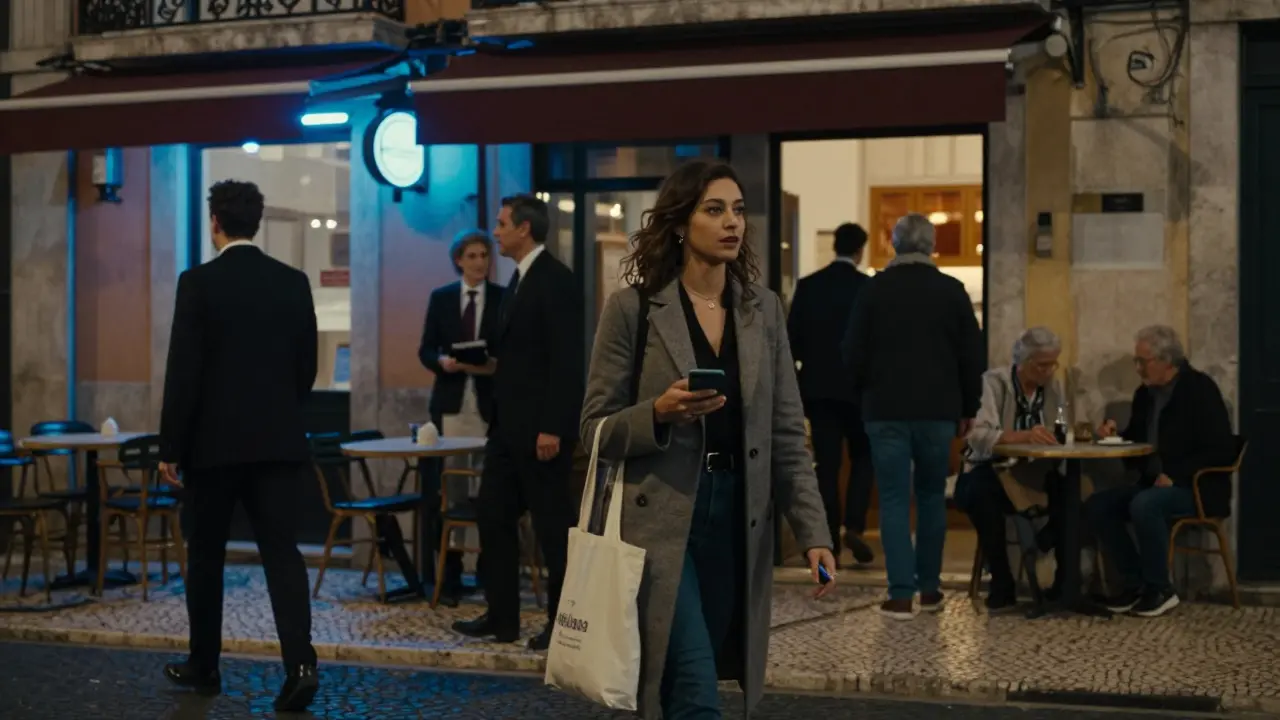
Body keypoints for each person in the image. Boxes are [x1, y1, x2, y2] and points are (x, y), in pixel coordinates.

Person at [580, 160, 836, 719]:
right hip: (663, 524)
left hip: (739, 520)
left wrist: (813, 532)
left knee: (697, 679)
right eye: (714, 209)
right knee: (694, 682)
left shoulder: (761, 310)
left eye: (738, 210)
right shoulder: (635, 309)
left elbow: (787, 434)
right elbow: (594, 429)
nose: (732, 223)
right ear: (679, 223)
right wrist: (659, 413)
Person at [157, 180, 319, 711]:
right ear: (258, 221)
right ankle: (300, 663)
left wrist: (171, 446)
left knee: (206, 556)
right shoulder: (292, 282)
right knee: (282, 554)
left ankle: (204, 665)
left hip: (213, 446)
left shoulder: (198, 283)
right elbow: (306, 369)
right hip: (277, 442)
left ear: (215, 223)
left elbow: (184, 372)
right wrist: (280, 414)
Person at [452, 195, 583, 651]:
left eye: (503, 223)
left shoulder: (555, 281)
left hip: (540, 432)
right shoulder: (516, 281)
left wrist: (553, 427)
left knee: (552, 530)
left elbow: (567, 361)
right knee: (493, 517)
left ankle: (563, 622)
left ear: (524, 228)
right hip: (506, 429)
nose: (496, 230)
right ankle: (503, 617)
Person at [842, 212, 984, 620]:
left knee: (891, 499)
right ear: (931, 246)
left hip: (884, 410)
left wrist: (863, 394)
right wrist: (968, 408)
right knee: (931, 498)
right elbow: (971, 355)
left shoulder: (874, 290)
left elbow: (852, 351)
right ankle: (930, 590)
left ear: (894, 244)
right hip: (938, 413)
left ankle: (900, 594)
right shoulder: (952, 291)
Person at [1085, 325, 1235, 618]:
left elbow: (1220, 449)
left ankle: (1160, 589)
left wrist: (1177, 476)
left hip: (1196, 488)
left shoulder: (1199, 389)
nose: (1138, 368)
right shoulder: (1145, 394)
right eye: (1136, 361)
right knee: (1098, 505)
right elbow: (1139, 446)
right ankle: (1134, 584)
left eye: (1143, 361)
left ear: (1167, 360)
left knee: (1145, 504)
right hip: (1153, 483)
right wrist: (1114, 436)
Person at [955, 327, 1071, 612]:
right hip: (990, 468)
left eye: (1052, 363)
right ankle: (1002, 581)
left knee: (1075, 490)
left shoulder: (1053, 386)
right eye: (1041, 364)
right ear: (1022, 362)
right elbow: (978, 436)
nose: (1048, 371)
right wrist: (1022, 436)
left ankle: (1065, 583)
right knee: (982, 494)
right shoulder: (993, 383)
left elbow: (1062, 426)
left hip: (1035, 471)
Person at [418, 229, 503, 606]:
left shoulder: (502, 298)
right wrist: (440, 361)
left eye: (484, 255)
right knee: (450, 491)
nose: (480, 262)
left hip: (487, 403)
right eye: (472, 256)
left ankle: (488, 569)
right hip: (452, 403)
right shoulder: (441, 298)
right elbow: (425, 348)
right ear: (459, 260)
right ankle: (449, 575)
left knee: (488, 490)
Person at [787, 222, 875, 566]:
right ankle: (854, 524)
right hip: (859, 391)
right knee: (863, 458)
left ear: (834, 247)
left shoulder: (809, 287)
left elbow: (791, 340)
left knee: (826, 465)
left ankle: (828, 537)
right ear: (860, 251)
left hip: (819, 391)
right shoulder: (867, 288)